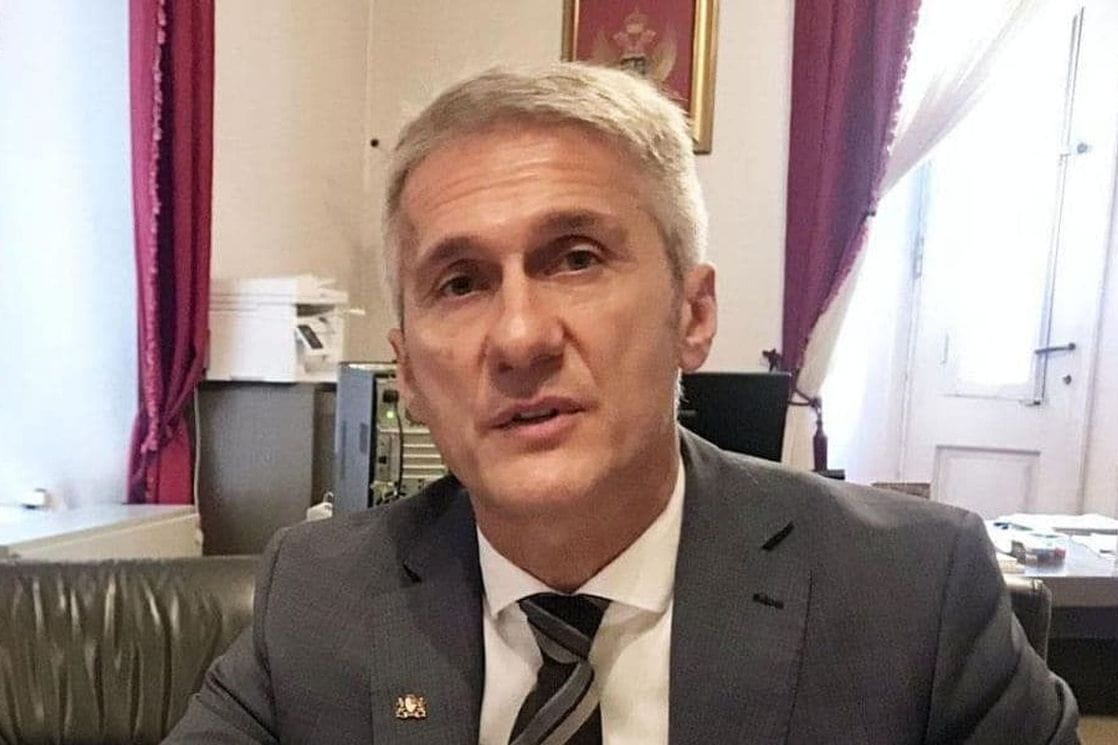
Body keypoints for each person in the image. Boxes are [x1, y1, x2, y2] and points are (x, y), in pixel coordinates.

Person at [166, 63, 1078, 744]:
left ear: (694, 314)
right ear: (406, 369)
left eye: (576, 258)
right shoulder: (321, 592)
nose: (520, 336)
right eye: (460, 281)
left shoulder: (912, 595)